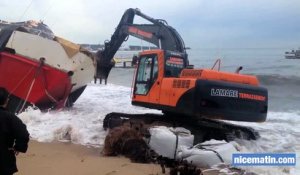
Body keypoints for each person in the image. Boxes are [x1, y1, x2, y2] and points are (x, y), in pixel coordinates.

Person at [0, 87, 30, 175]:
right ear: (6, 101)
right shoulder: (10, 117)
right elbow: (23, 134)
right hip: (4, 158)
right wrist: (18, 147)